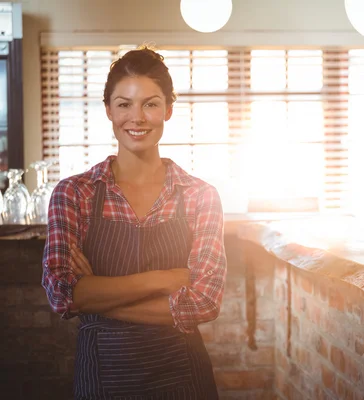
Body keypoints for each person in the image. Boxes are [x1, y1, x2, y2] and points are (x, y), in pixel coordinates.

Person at [41, 46, 226, 399]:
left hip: (183, 377)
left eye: (150, 104)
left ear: (168, 110)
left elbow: (204, 302)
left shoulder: (199, 195)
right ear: (108, 109)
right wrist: (167, 279)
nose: (136, 117)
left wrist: (93, 294)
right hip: (101, 377)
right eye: (124, 104)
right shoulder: (74, 194)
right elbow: (62, 294)